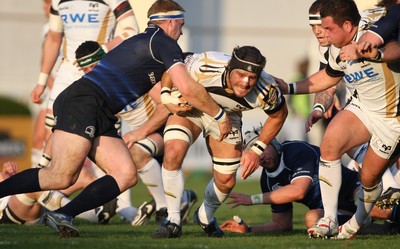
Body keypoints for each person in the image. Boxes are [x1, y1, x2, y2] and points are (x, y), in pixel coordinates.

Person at [0, 0, 230, 238]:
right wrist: (219, 115)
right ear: (169, 21)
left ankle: (63, 214)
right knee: (61, 175)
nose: (181, 31)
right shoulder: (163, 42)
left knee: (126, 174)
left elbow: (192, 69)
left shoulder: (144, 42)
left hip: (97, 108)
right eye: (180, 25)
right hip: (85, 102)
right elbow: (187, 86)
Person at [274, 0, 400, 239]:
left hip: (391, 118)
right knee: (330, 144)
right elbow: (329, 77)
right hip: (363, 108)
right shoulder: (334, 46)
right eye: (317, 27)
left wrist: (374, 53)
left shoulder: (371, 33)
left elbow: (396, 50)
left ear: (348, 25)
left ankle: (356, 222)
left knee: (369, 178)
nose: (322, 33)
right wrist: (289, 88)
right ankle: (329, 218)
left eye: (327, 28)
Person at [151, 46, 288, 239]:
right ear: (229, 68)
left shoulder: (266, 88)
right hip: (194, 108)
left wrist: (256, 150)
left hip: (229, 116)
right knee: (173, 151)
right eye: (240, 74)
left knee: (226, 181)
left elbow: (279, 114)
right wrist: (165, 94)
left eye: (252, 77)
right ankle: (173, 220)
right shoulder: (206, 65)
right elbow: (173, 67)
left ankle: (205, 216)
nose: (246, 82)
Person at [30, 0, 140, 221]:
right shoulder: (59, 1)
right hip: (67, 74)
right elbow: (54, 37)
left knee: (107, 138)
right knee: (52, 136)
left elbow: (132, 31)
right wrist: (42, 79)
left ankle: (119, 207)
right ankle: (39, 198)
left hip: (98, 68)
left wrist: (102, 51)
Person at [73, 40, 198, 225]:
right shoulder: (99, 91)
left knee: (138, 153)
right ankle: (183, 199)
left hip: (171, 124)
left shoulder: (128, 74)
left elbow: (166, 106)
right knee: (137, 165)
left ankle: (163, 208)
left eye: (94, 66)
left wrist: (140, 132)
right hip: (149, 135)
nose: (91, 72)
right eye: (86, 70)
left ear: (104, 60)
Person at [219, 126, 400, 235]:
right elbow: (282, 224)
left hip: (351, 188)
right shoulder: (267, 180)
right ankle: (382, 229)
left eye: (261, 149)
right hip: (334, 211)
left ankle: (390, 217)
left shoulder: (294, 150)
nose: (260, 156)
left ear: (273, 143)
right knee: (311, 219)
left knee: (376, 208)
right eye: (255, 153)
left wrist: (252, 200)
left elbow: (299, 190)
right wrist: (249, 230)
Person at [0, 161, 117, 225]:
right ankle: (96, 216)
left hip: (29, 202)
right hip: (10, 213)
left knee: (80, 175)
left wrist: (6, 175)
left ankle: (107, 202)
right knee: (34, 188)